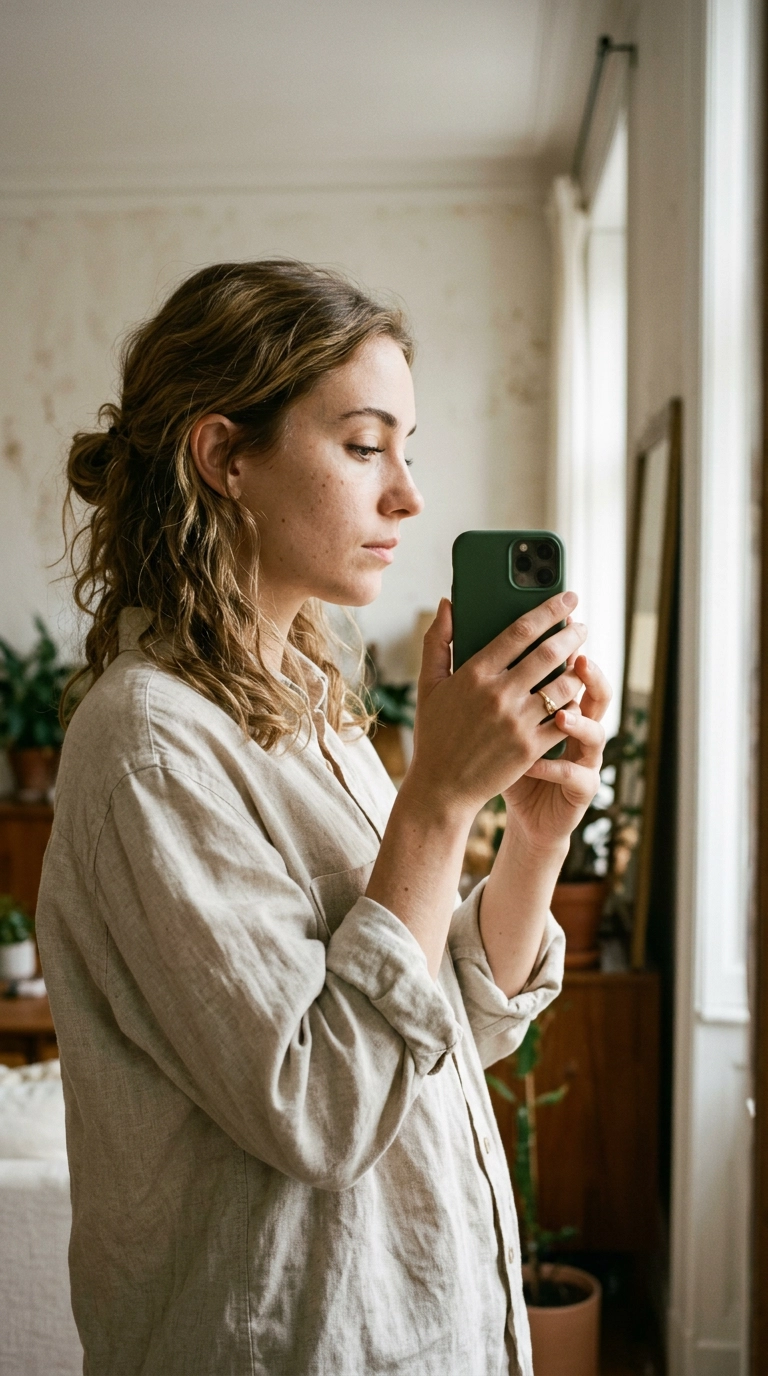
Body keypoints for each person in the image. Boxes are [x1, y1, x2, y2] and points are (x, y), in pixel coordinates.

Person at [36, 259, 610, 1376]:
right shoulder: (150, 741)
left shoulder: (318, 709)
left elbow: (441, 1036)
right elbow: (322, 1105)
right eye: (364, 445)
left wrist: (534, 830)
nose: (409, 494)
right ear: (225, 457)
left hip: (418, 1326)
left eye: (409, 448)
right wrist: (439, 798)